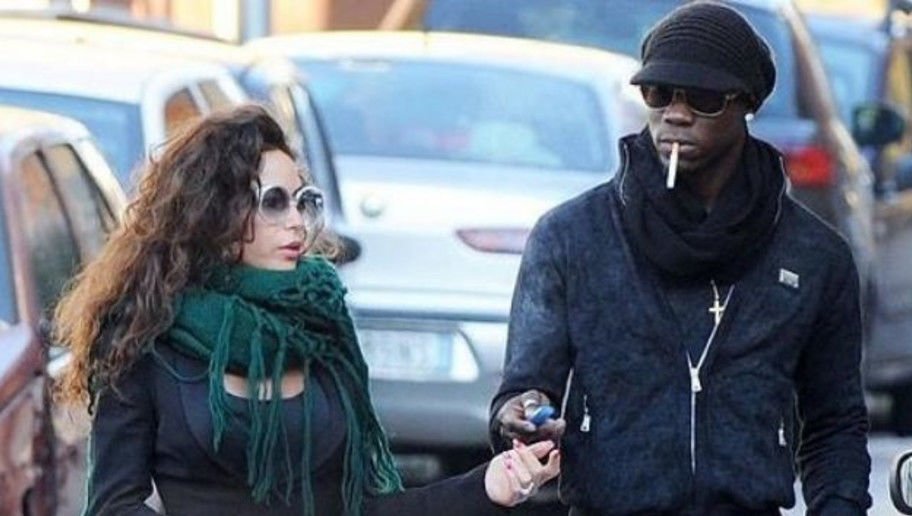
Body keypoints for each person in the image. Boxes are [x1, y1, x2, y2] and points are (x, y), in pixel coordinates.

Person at [53, 104, 559, 516]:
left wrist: (486, 486)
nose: (296, 221)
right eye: (274, 202)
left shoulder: (321, 323)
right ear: (217, 209)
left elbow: (366, 506)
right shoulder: (148, 330)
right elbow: (114, 504)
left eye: (303, 201)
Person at [489, 2, 871, 515]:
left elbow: (836, 423)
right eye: (658, 93)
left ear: (746, 104)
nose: (676, 113)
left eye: (704, 99)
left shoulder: (811, 255)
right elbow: (524, 388)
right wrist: (523, 412)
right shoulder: (572, 236)